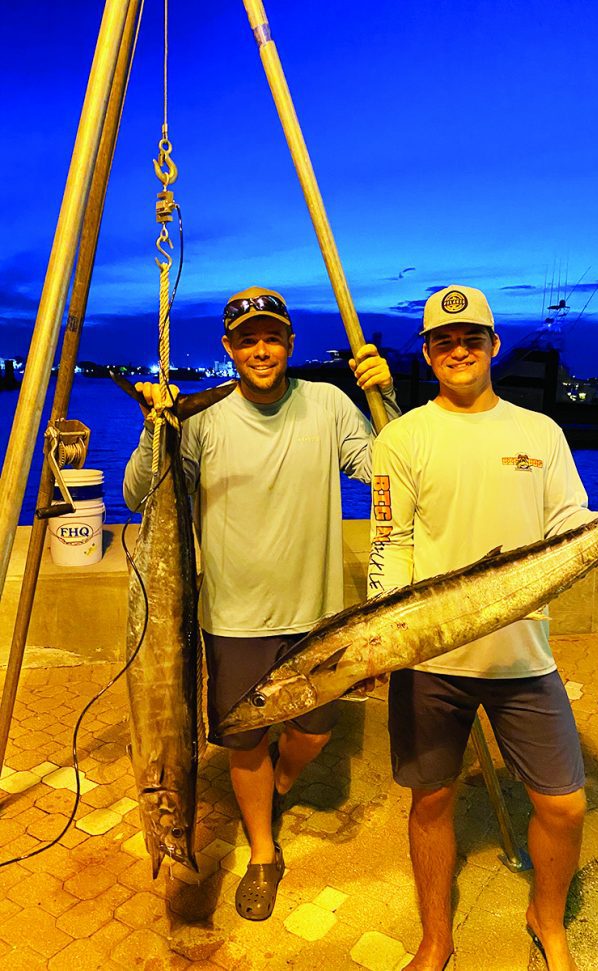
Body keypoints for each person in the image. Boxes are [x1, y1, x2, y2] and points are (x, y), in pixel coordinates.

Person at [367, 285, 598, 971]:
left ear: (493, 344)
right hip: (432, 658)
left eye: (471, 337)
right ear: (426, 350)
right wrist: (390, 632)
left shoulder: (541, 433)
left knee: (564, 804)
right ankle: (436, 935)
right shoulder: (401, 438)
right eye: (444, 340)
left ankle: (546, 917)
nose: (458, 350)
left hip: (523, 658)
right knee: (431, 801)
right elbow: (390, 542)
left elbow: (568, 524)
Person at [124, 285, 399, 921]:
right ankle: (264, 851)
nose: (261, 349)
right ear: (229, 347)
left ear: (290, 343)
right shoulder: (202, 419)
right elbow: (142, 495)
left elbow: (384, 467)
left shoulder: (328, 404)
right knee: (245, 744)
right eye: (247, 340)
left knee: (314, 731)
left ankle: (276, 787)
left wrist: (384, 398)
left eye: (272, 336)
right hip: (231, 617)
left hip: (317, 613)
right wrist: (153, 427)